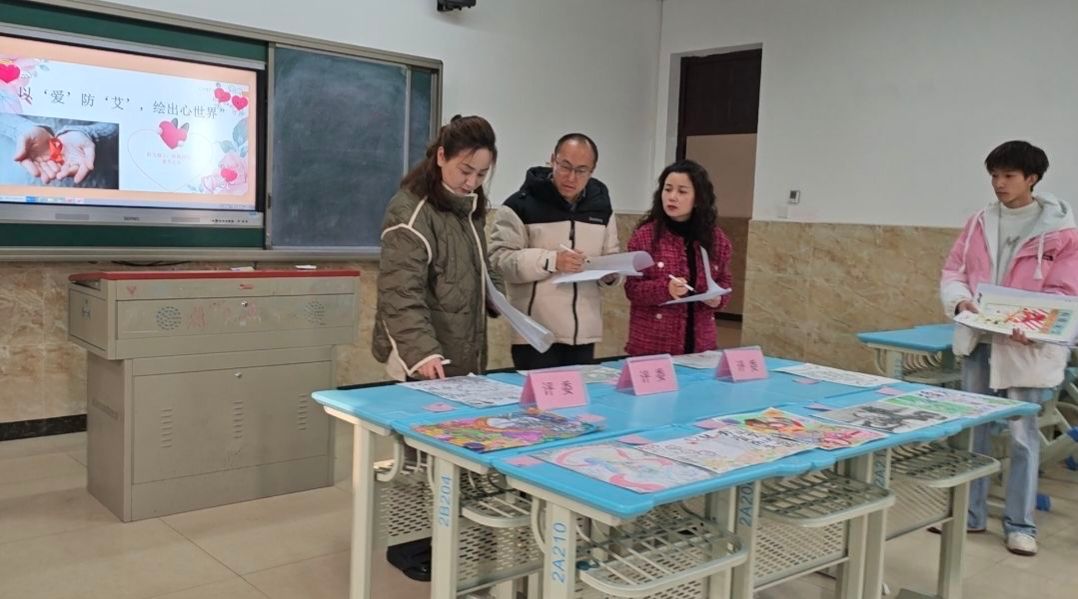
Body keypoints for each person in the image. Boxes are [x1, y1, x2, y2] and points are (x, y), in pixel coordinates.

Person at [370, 115, 499, 581]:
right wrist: (422, 353)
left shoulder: (469, 207)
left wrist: (496, 295)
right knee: (415, 459)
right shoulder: (411, 210)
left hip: (461, 349)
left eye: (481, 173)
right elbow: (400, 293)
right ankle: (408, 547)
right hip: (421, 358)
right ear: (441, 156)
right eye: (465, 170)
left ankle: (442, 536)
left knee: (449, 455)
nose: (472, 181)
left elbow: (476, 266)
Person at [939, 140, 1078, 556]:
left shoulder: (1061, 231)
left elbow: (1065, 292)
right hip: (979, 340)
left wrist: (1031, 327)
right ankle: (970, 514)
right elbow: (954, 271)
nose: (999, 184)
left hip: (1026, 348)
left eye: (1009, 176)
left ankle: (1021, 524)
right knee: (974, 432)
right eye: (994, 176)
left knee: (1022, 436)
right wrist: (960, 301)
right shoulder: (979, 222)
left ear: (1032, 179)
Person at [489, 133, 620, 369]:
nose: (571, 177)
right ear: (553, 160)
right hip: (535, 334)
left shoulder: (602, 208)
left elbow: (611, 256)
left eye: (581, 170)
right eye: (565, 166)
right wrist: (551, 260)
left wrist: (611, 275)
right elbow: (500, 260)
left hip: (583, 335)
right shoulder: (520, 205)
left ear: (592, 170)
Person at [624, 160, 733, 356]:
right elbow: (633, 289)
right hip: (653, 346)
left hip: (701, 345)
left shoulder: (716, 239)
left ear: (698, 199)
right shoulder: (645, 236)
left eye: (682, 191)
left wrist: (718, 298)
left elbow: (725, 282)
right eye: (667, 189)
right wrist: (665, 289)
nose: (672, 197)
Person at [0, 113, 118, 187]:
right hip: (18, 181)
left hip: (93, 182)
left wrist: (88, 133)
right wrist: (22, 128)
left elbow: (119, 119)